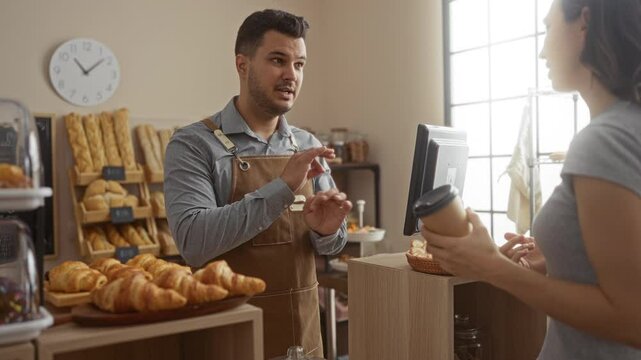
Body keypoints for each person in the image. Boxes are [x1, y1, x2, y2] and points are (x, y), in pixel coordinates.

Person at [421, 0, 641, 359]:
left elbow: (632, 318)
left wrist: (490, 266)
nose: (542, 51)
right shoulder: (629, 127)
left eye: (548, 28)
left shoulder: (605, 140)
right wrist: (560, 258)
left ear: (583, 24)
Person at [164, 9, 352, 359]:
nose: (290, 75)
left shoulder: (307, 143)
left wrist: (327, 232)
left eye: (299, 65)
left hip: (305, 341)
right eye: (278, 60)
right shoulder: (192, 145)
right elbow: (193, 241)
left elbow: (330, 248)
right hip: (229, 341)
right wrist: (282, 188)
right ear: (242, 64)